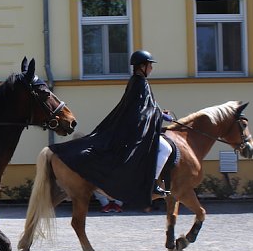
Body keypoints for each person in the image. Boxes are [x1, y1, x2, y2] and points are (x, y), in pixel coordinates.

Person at [50, 49, 174, 211]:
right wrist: (160, 115)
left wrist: (159, 112)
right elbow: (142, 110)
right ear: (142, 66)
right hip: (136, 131)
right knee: (166, 148)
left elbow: (147, 106)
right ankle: (152, 184)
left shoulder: (136, 81)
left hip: (133, 127)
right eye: (150, 65)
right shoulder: (140, 83)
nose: (151, 68)